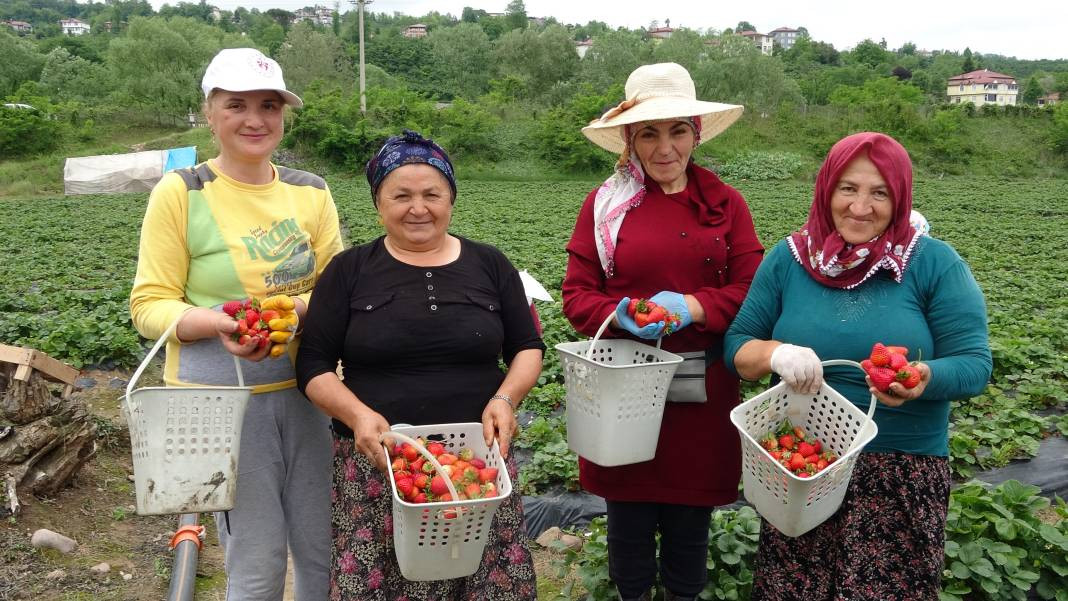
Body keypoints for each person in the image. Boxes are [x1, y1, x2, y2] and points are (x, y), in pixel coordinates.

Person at [724, 132, 992, 600]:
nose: (860, 207)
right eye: (848, 188)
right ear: (826, 189)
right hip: (802, 469)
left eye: (880, 192)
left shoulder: (934, 264)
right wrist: (776, 354)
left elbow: (974, 365)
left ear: (901, 196)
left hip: (899, 470)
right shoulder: (788, 261)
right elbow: (737, 348)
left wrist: (922, 379)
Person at [129, 47, 344, 600]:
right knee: (256, 558)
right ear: (210, 112)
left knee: (326, 552)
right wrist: (216, 321)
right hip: (219, 405)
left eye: (269, 105)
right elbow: (149, 306)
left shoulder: (312, 190)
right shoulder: (181, 192)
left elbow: (334, 292)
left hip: (309, 396)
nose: (255, 119)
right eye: (237, 105)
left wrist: (293, 311)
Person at [295, 129, 544, 601]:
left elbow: (527, 346)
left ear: (451, 198)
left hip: (477, 466)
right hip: (378, 463)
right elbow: (314, 364)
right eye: (401, 195)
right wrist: (357, 416)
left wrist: (505, 398)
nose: (418, 207)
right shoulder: (349, 271)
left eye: (433, 194)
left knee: (483, 577)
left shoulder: (490, 264)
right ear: (378, 202)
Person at [561, 62, 764, 601]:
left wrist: (695, 306)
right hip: (624, 390)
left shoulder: (726, 204)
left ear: (695, 134)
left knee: (689, 524)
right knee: (626, 519)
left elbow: (754, 290)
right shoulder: (606, 208)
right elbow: (577, 295)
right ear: (630, 139)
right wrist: (619, 312)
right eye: (648, 132)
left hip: (702, 394)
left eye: (677, 130)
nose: (664, 147)